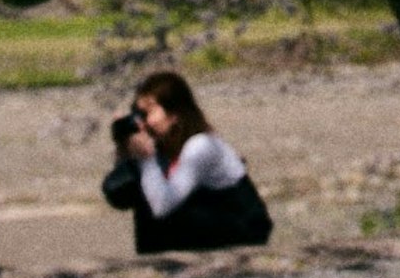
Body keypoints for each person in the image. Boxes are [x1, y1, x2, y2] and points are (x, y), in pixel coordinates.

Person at [102, 67, 274, 262]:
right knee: (146, 200)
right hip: (208, 220)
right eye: (138, 113)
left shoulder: (201, 146)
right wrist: (125, 153)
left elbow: (162, 206)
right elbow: (119, 195)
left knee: (156, 209)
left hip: (243, 225)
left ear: (174, 114)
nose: (143, 122)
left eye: (147, 113)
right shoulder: (163, 146)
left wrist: (146, 159)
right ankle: (156, 259)